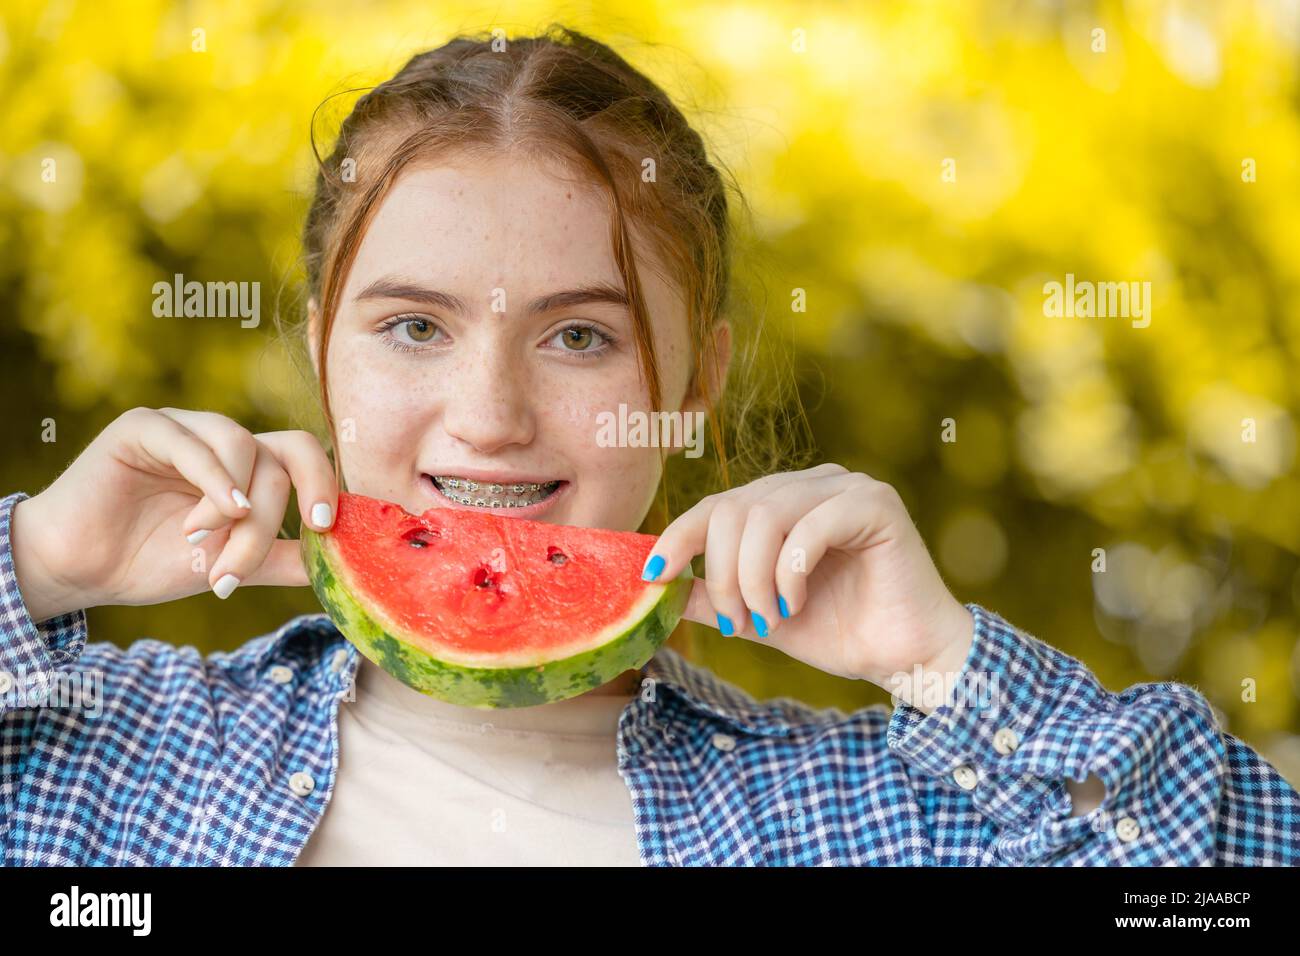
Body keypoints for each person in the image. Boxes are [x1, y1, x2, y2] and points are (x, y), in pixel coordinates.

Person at [2, 26, 1296, 866]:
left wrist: (944, 665)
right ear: (321, 349)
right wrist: (37, 566)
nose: (492, 416)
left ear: (694, 383)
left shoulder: (861, 814)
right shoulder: (117, 757)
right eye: (411, 327)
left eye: (579, 339)